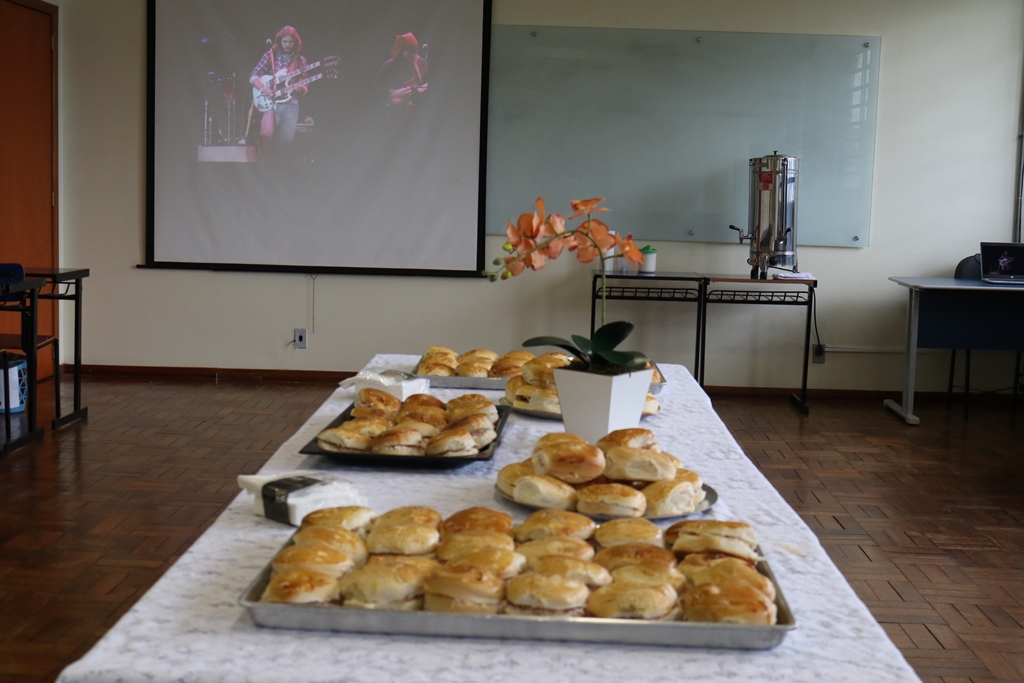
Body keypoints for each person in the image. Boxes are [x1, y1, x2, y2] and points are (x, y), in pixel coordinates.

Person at [250, 26, 309, 162]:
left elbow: (305, 84)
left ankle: (283, 169)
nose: (288, 45)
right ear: (280, 41)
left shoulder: (301, 60)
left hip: (291, 103)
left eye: (291, 42)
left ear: (295, 43)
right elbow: (253, 76)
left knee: (287, 141)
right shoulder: (271, 55)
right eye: (285, 41)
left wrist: (301, 89)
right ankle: (261, 167)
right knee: (265, 136)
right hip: (271, 102)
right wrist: (265, 89)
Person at [374, 32, 428, 120]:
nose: (413, 54)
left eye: (415, 51)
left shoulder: (421, 63)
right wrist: (394, 93)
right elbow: (377, 90)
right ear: (402, 50)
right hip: (395, 114)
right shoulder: (389, 65)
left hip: (416, 112)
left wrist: (422, 89)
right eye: (410, 51)